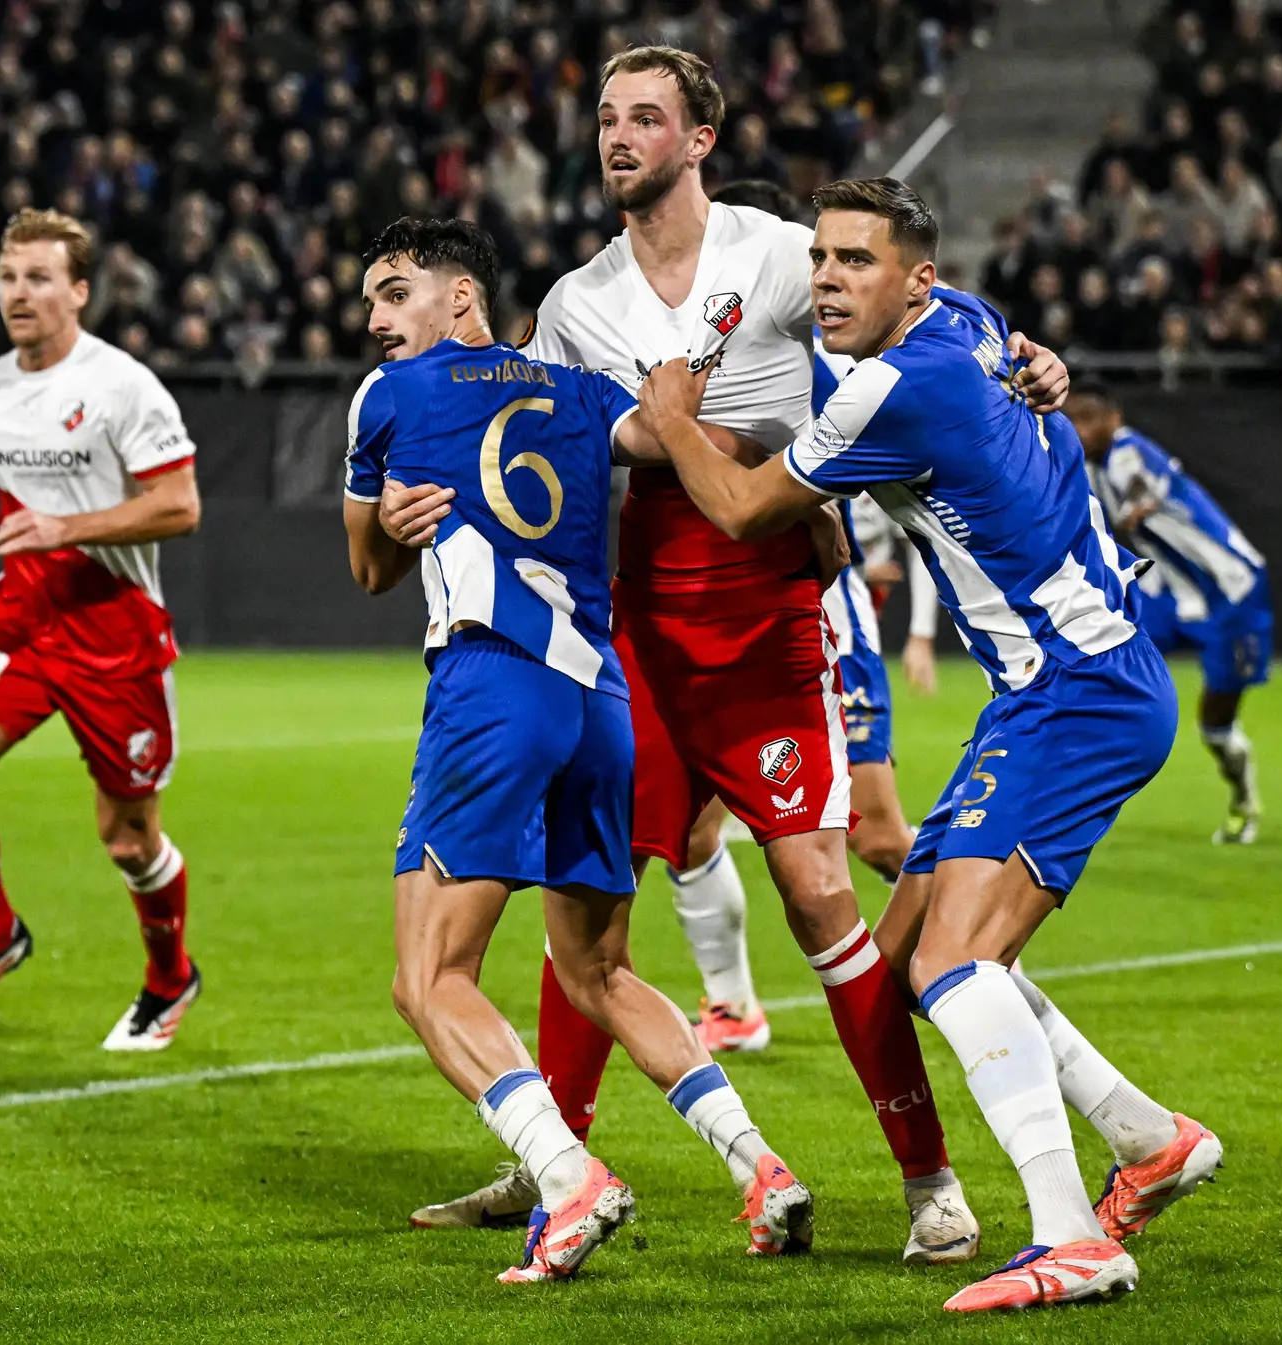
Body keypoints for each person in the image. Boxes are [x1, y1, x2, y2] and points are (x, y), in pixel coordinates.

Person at [396, 47, 999, 1264]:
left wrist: (1014, 351)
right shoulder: (575, 303)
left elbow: (919, 306)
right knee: (588, 912)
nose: (619, 136)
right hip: (635, 626)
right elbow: (548, 453)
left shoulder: (778, 252)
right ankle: (553, 1161)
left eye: (646, 117)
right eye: (607, 117)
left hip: (772, 604)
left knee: (820, 894)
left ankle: (930, 1178)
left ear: (702, 136)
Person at [635, 175, 1225, 1314]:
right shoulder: (968, 325)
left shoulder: (890, 390)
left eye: (857, 262)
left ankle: (1069, 1236)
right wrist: (1043, 364)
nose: (827, 281)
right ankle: (1147, 1141)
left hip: (1077, 689)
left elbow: (745, 508)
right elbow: (1013, 344)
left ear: (917, 281)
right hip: (1054, 688)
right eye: (821, 260)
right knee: (914, 957)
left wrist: (669, 418)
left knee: (955, 963)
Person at [342, 215, 813, 1284]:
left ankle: (567, 1176)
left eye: (396, 292)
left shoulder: (389, 398)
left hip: (492, 683)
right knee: (600, 968)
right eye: (371, 299)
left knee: (429, 980)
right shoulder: (583, 389)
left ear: (462, 298)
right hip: (601, 700)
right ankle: (763, 1166)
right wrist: (721, 368)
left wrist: (396, 525)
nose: (376, 319)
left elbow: (366, 568)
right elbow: (675, 433)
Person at [0, 209, 205, 1050]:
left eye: (39, 278)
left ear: (79, 291)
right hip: (23, 620)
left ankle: (168, 976)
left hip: (115, 632)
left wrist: (64, 528)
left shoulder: (123, 386)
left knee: (127, 836)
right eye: (8, 278)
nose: (19, 293)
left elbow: (180, 504)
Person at [1067, 384, 1271, 844]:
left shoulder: (1128, 450)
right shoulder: (1088, 465)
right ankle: (1077, 789)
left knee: (1216, 724)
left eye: (1084, 418)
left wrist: (1135, 505)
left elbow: (1136, 489)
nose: (1075, 429)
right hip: (1167, 595)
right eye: (1069, 418)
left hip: (1231, 592)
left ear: (1111, 419)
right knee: (1103, 666)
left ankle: (1243, 800)